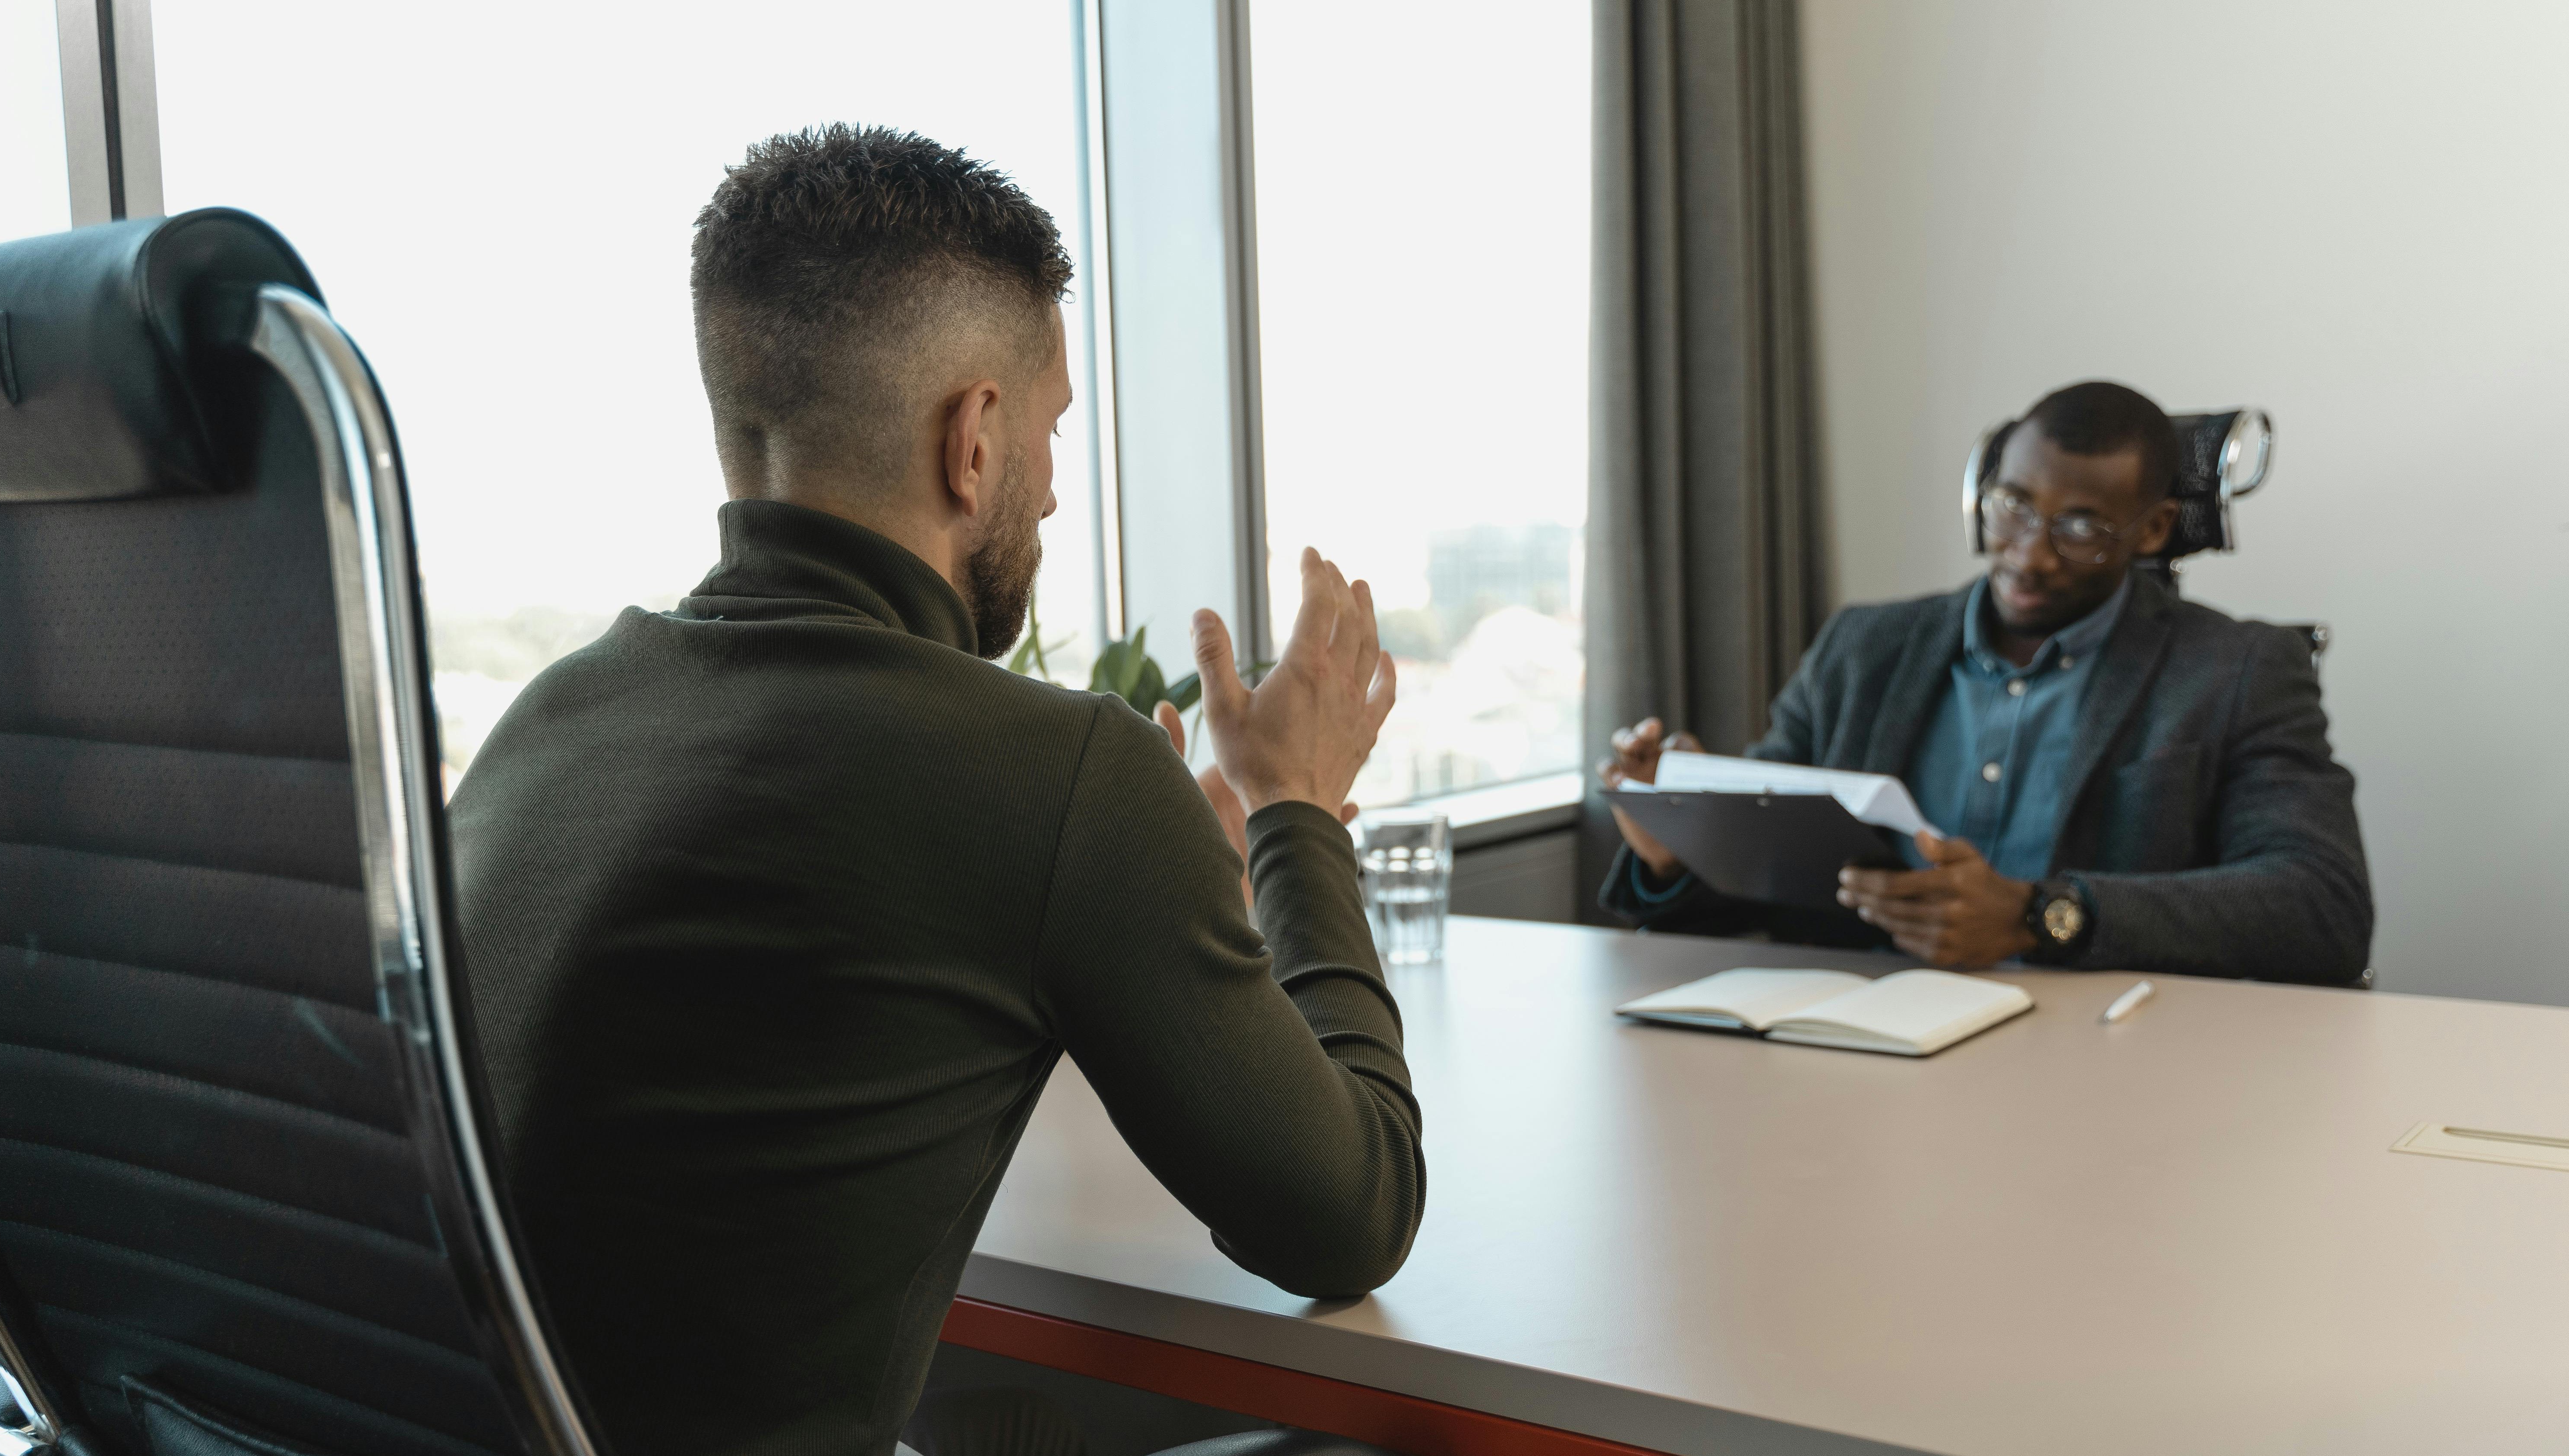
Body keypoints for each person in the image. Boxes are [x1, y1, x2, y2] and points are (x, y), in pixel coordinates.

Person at [448, 125, 1420, 1456]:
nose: (1056, 492)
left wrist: (1144, 885)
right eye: (1052, 430)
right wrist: (1295, 816)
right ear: (974, 440)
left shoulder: (546, 720)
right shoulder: (1056, 773)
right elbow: (1353, 1219)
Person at [1599, 381, 2372, 984]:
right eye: (2013, 508)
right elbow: (1761, 878)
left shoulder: (2238, 669)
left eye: (2079, 528)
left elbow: (2322, 905)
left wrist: (2045, 915)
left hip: (2106, 1054)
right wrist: (1680, 838)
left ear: (2155, 530)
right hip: (1860, 1039)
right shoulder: (1862, 649)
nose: (2029, 555)